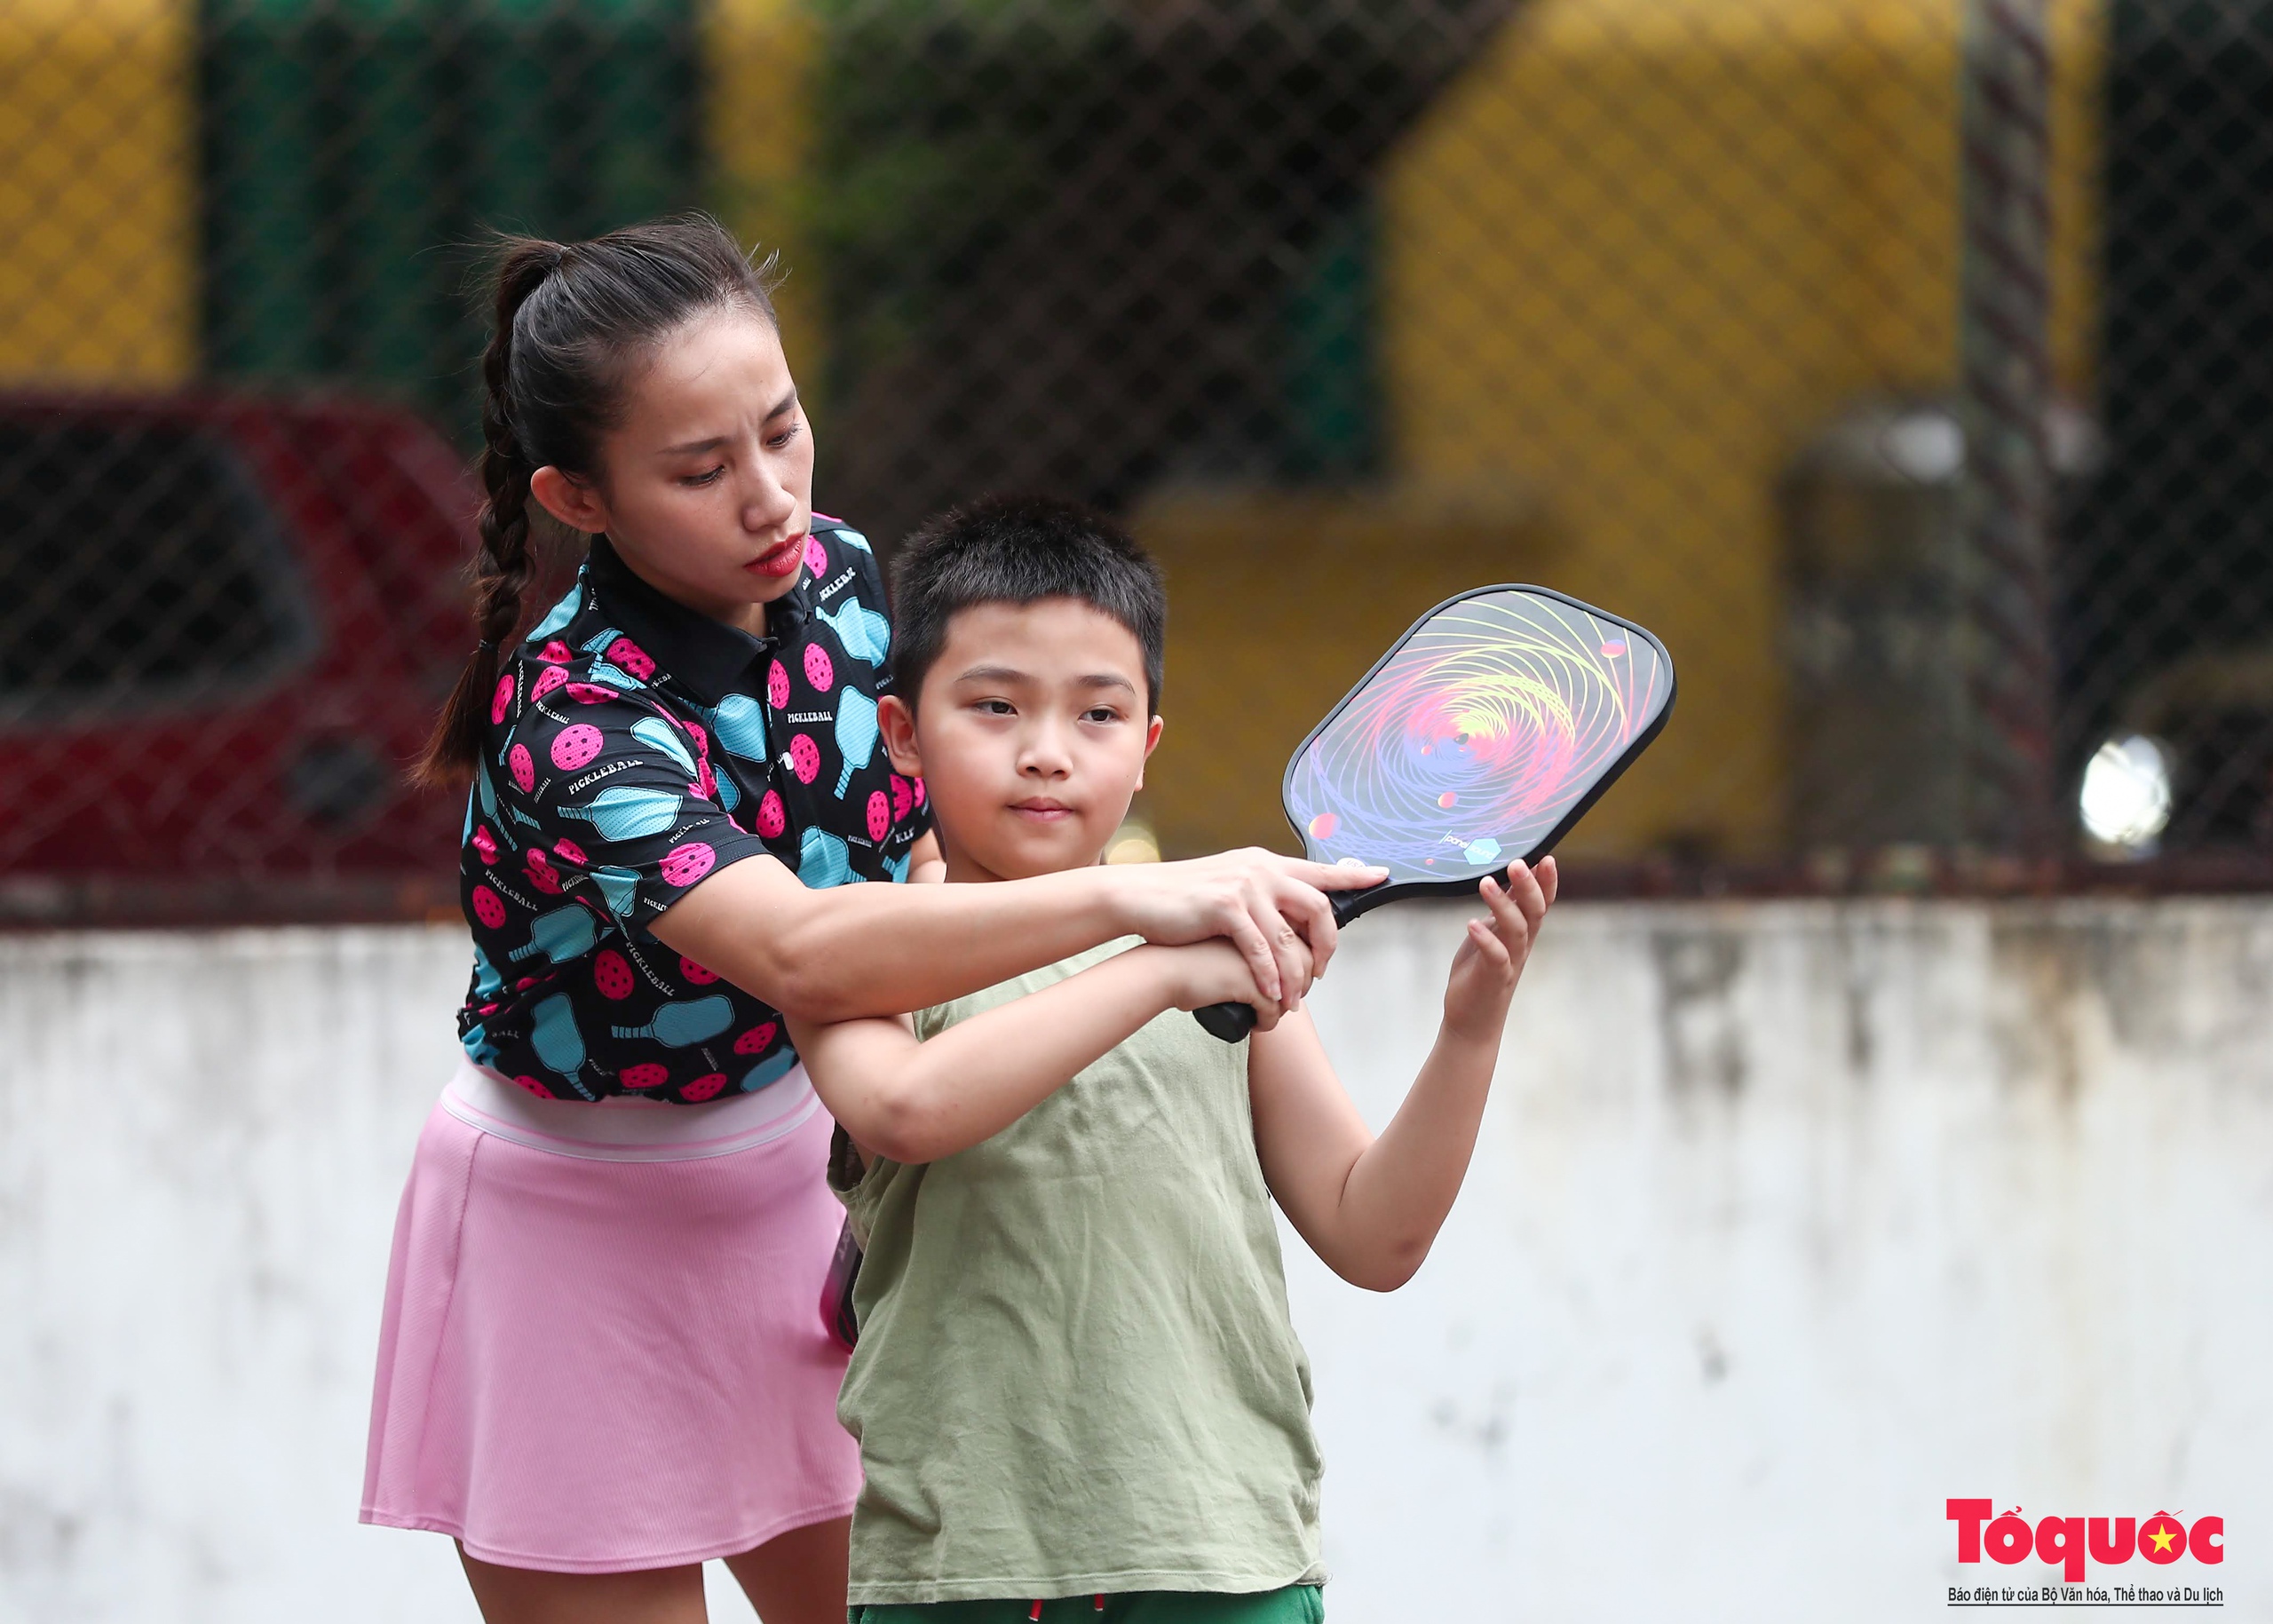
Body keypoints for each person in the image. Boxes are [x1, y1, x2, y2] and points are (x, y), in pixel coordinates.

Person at [359, 217, 1381, 1624]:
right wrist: (1142, 897)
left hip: (799, 1177)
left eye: (783, 430)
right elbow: (797, 947)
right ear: (577, 498)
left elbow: (909, 864)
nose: (772, 495)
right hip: (569, 1235)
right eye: (702, 470)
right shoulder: (571, 712)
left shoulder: (839, 583)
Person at [789, 495, 1558, 1620]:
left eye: (1097, 714)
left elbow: (1375, 1233)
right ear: (903, 733)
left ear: (1146, 745)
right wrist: (1158, 968)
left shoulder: (1225, 954)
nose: (1047, 751)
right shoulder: (861, 946)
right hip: (966, 1574)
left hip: (1228, 1560)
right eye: (995, 705)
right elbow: (907, 1111)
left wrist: (1470, 1031)